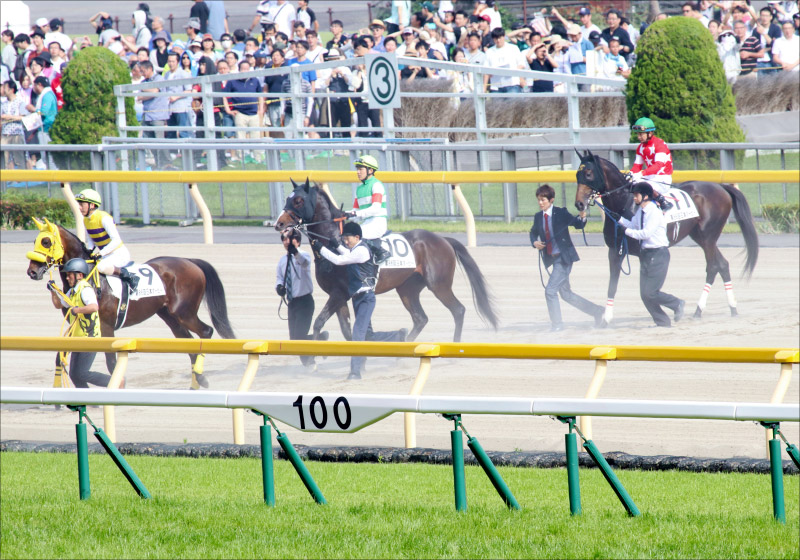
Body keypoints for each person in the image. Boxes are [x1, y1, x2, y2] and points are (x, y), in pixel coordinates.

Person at [310, 222, 407, 380]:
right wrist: (337, 245)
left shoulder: (362, 250)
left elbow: (340, 260)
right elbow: (347, 254)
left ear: (357, 237)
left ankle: (355, 372)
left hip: (366, 299)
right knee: (367, 335)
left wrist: (322, 249)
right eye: (344, 239)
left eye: (347, 239)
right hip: (358, 299)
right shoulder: (356, 249)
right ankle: (398, 336)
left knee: (357, 335)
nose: (345, 242)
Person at [530, 184, 603, 331]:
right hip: (552, 259)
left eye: (543, 199)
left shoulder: (561, 213)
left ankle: (557, 325)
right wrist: (535, 242)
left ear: (551, 200)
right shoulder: (538, 216)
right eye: (539, 200)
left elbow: (578, 224)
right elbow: (533, 232)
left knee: (550, 291)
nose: (540, 203)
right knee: (566, 294)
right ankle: (598, 311)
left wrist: (583, 216)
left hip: (564, 259)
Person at [617, 183, 685, 328]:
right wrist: (619, 219)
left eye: (636, 195)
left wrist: (625, 232)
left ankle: (677, 303)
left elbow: (646, 234)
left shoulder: (654, 212)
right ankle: (662, 322)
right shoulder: (641, 212)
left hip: (658, 254)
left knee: (651, 293)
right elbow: (633, 225)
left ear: (645, 196)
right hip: (646, 254)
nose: (634, 197)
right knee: (644, 294)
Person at [48, 258, 113, 389]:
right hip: (77, 338)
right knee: (74, 374)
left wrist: (77, 310)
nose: (67, 278)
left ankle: (115, 382)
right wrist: (52, 291)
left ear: (79, 275)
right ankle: (88, 400)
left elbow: (94, 307)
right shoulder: (72, 291)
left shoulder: (85, 289)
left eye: (69, 275)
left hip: (89, 338)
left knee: (82, 373)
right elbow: (59, 304)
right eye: (66, 275)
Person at [275, 229, 325, 367]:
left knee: (299, 338)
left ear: (297, 240)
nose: (286, 242)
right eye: (283, 239)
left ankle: (309, 363)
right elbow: (279, 277)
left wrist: (295, 253)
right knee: (294, 340)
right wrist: (279, 288)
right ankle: (320, 339)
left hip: (305, 302)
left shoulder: (304, 255)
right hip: (292, 304)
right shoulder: (282, 260)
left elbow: (304, 263)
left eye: (289, 239)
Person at [74, 189, 139, 291]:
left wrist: (101, 253)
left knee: (100, 267)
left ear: (92, 205)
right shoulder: (86, 220)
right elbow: (91, 239)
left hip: (119, 254)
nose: (80, 207)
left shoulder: (104, 218)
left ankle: (130, 277)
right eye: (79, 204)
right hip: (106, 255)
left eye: (82, 204)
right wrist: (89, 251)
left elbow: (116, 240)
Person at [629, 117, 674, 211]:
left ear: (649, 133)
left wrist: (641, 174)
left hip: (662, 178)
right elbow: (637, 166)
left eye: (641, 134)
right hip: (649, 177)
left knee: (644, 186)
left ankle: (663, 202)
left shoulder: (659, 144)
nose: (638, 137)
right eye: (638, 134)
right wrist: (631, 174)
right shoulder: (640, 147)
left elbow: (658, 166)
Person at [345, 156, 387, 240]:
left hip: (378, 223)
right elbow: (355, 211)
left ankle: (381, 252)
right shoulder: (359, 189)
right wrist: (343, 214)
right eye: (357, 169)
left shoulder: (376, 185)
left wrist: (356, 214)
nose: (358, 172)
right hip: (366, 223)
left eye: (361, 169)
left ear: (370, 170)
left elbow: (375, 208)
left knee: (354, 237)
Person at [1, 80, 26, 170]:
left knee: (19, 158)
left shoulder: (20, 102)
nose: (3, 90)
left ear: (11, 89)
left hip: (17, 133)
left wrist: (9, 117)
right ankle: (5, 181)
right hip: (5, 134)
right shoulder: (3, 104)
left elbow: (23, 117)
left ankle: (23, 179)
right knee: (4, 158)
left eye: (5, 88)